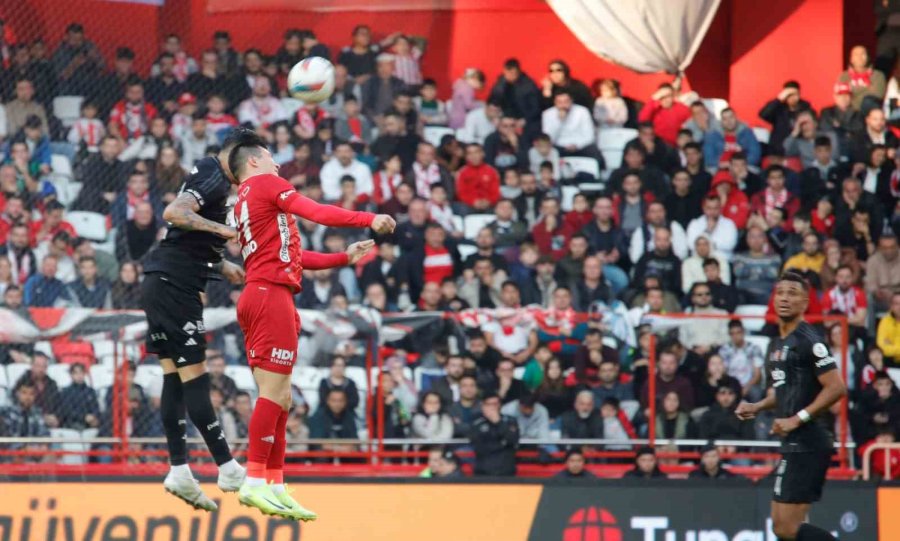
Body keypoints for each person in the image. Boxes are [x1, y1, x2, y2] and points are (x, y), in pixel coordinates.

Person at [228, 131, 394, 518]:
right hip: (271, 297)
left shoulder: (245, 202)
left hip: (261, 293)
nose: (277, 163)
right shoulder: (267, 184)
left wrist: (342, 259)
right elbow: (316, 211)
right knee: (273, 393)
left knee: (282, 397)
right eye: (270, 156)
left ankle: (275, 482)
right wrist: (368, 218)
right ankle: (254, 481)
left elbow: (294, 256)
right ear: (253, 161)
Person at [140, 131, 252, 511]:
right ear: (236, 155)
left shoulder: (210, 175)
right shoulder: (215, 175)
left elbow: (181, 236)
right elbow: (174, 213)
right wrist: (222, 230)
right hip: (174, 288)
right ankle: (227, 465)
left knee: (174, 377)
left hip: (163, 282)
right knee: (195, 380)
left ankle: (179, 470)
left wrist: (221, 264)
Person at [736, 271, 847, 541]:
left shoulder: (810, 340)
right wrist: (758, 405)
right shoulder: (775, 344)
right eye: (781, 292)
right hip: (794, 440)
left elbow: (837, 387)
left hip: (809, 439)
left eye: (792, 293)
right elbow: (784, 392)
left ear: (805, 302)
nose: (784, 298)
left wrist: (796, 419)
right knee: (783, 527)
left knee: (785, 527)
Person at [470, 392, 519, 476]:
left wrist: (498, 422)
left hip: (506, 470)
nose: (493, 407)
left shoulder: (510, 421)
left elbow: (512, 440)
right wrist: (501, 444)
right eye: (489, 404)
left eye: (495, 404)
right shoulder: (476, 423)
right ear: (483, 406)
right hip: (483, 471)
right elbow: (478, 446)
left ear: (500, 405)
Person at [758, 81, 814, 154]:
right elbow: (763, 115)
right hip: (778, 148)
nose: (793, 98)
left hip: (798, 149)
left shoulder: (805, 107)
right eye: (789, 95)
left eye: (795, 94)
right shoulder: (778, 107)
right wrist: (778, 99)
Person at [837, 45, 887, 112]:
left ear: (868, 57)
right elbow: (841, 98)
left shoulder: (878, 75)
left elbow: (877, 95)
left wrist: (852, 91)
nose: (859, 57)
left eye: (863, 54)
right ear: (851, 59)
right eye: (856, 55)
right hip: (849, 113)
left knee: (868, 101)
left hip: (869, 115)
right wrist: (867, 88)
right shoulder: (844, 76)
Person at [877, 292, 900, 364]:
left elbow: (887, 347)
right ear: (891, 306)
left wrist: (891, 345)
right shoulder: (885, 321)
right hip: (890, 361)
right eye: (896, 304)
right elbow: (882, 346)